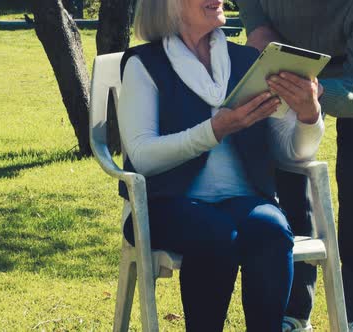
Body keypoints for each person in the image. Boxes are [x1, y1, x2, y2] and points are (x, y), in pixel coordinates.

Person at [117, 0, 326, 331]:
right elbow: (141, 156)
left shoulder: (248, 61)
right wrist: (216, 129)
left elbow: (293, 153)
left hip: (244, 201)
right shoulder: (144, 65)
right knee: (214, 234)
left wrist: (308, 115)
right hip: (164, 204)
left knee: (272, 230)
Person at [237, 0, 353, 331]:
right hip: (292, 51)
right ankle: (294, 309)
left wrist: (314, 95)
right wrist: (258, 26)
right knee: (288, 165)